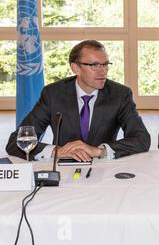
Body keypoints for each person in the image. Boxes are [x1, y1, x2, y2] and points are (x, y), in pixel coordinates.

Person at [6, 40, 151, 161]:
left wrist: (99, 151)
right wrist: (57, 151)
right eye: (95, 65)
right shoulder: (53, 94)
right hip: (63, 166)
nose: (103, 71)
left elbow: (142, 139)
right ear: (76, 68)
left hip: (103, 168)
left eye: (105, 64)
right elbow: (16, 142)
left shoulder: (120, 94)